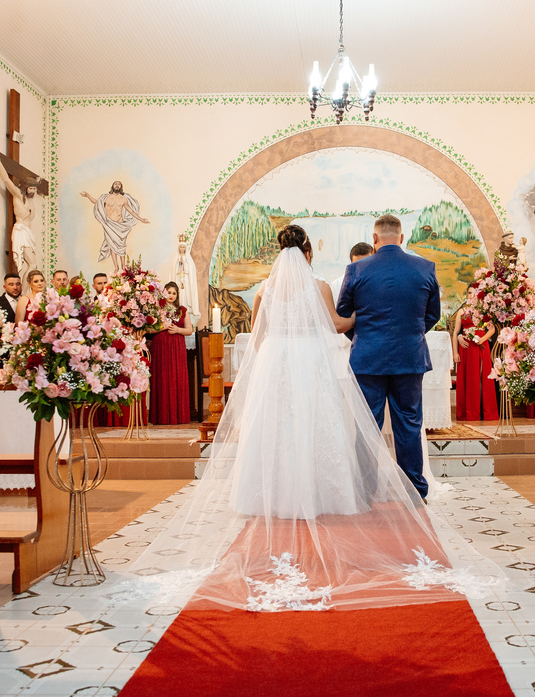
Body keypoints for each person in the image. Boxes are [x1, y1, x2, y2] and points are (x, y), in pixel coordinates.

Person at [115, 224, 500, 615]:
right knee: (329, 425)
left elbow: (257, 331)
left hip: (276, 361)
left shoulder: (264, 289)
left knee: (276, 428)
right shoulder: (321, 286)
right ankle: (367, 492)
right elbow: (337, 323)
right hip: (314, 360)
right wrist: (367, 317)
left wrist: (269, 362)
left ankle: (275, 493)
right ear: (310, 254)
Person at [337, 215, 441, 500]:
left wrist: (364, 338)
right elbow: (432, 315)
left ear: (374, 239)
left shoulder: (356, 269)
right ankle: (414, 491)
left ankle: (365, 491)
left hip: (368, 358)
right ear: (402, 237)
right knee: (408, 422)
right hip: (410, 356)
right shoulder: (425, 268)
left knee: (366, 424)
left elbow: (344, 315)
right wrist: (411, 334)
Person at [149, 281, 194, 425]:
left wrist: (178, 330)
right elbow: (147, 330)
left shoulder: (183, 310)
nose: (171, 295)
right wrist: (162, 327)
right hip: (160, 347)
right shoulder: (156, 309)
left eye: (174, 293)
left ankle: (178, 416)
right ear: (164, 293)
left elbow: (189, 330)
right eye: (169, 292)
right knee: (162, 378)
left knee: (177, 378)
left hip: (177, 347)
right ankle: (160, 416)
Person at [80, 181, 149, 274]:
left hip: (120, 224)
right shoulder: (106, 197)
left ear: (121, 187)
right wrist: (87, 195)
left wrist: (141, 219)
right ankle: (116, 267)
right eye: (115, 184)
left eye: (119, 184)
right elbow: (97, 203)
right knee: (112, 244)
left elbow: (131, 211)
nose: (117, 185)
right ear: (112, 186)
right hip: (109, 224)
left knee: (121, 245)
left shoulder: (123, 199)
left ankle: (123, 265)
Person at [452, 282, 497, 421]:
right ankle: (470, 412)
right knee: (469, 380)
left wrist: (482, 339)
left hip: (480, 347)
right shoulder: (462, 311)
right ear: (466, 295)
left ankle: (485, 412)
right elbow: (455, 333)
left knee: (483, 379)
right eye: (470, 293)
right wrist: (455, 352)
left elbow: (492, 329)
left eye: (475, 293)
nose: (472, 295)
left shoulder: (484, 311)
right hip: (466, 349)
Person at [0, 152, 38, 276]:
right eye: (30, 188)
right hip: (21, 232)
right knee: (31, 265)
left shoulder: (31, 200)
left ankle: (28, 292)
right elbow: (7, 181)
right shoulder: (18, 195)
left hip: (28, 234)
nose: (33, 191)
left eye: (34, 189)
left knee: (34, 265)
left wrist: (38, 180)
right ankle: (25, 293)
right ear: (25, 187)